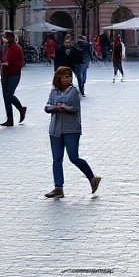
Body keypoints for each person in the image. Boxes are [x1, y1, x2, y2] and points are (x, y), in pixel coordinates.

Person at [43, 64, 101, 198]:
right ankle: (58, 187)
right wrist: (54, 108)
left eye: (69, 76)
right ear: (59, 78)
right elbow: (46, 106)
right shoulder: (54, 91)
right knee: (57, 159)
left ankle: (92, 178)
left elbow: (75, 109)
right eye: (65, 76)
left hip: (71, 129)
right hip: (55, 129)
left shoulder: (73, 91)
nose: (68, 79)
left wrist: (64, 108)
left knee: (73, 157)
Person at [0, 31, 27, 126]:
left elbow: (20, 63)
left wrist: (9, 64)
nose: (3, 39)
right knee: (5, 97)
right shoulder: (5, 48)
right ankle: (9, 119)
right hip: (4, 74)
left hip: (13, 75)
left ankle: (21, 108)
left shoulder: (17, 48)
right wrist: (1, 63)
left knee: (9, 95)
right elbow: (3, 59)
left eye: (5, 37)